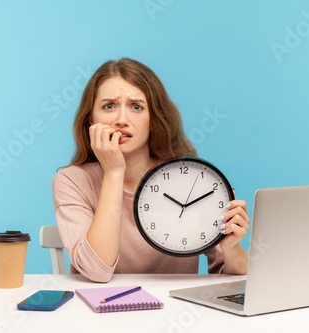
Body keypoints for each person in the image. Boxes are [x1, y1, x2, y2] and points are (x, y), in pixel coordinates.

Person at [52, 58, 250, 282]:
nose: (121, 119)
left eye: (136, 107)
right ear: (91, 120)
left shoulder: (188, 177)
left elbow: (232, 277)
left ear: (153, 119)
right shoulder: (72, 181)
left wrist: (232, 247)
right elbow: (97, 271)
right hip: (101, 312)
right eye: (109, 106)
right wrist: (114, 173)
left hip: (174, 311)